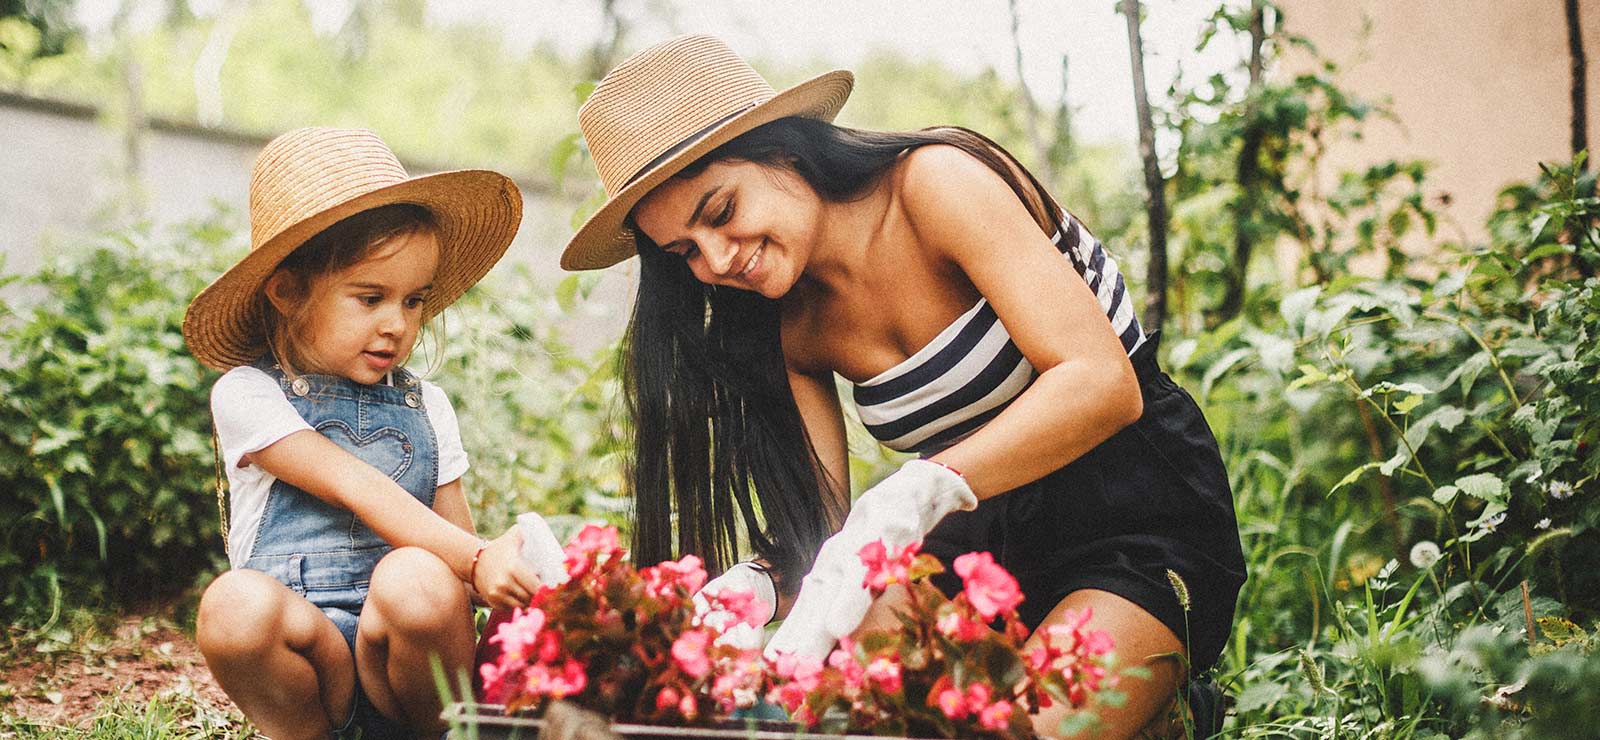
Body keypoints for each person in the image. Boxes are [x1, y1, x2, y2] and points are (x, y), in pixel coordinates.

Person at [563, 36, 1247, 739]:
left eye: (720, 211)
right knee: (848, 711)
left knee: (1018, 731)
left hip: (1129, 508)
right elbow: (823, 523)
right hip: (974, 540)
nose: (714, 261)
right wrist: (754, 589)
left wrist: (917, 487)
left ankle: (1167, 709)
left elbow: (1105, 385)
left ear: (784, 151)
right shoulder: (789, 326)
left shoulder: (933, 183)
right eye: (685, 252)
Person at [183, 127, 551, 740]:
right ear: (288, 291)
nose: (397, 325)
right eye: (370, 297)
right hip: (310, 659)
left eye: (414, 301)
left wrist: (502, 563)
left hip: (402, 664)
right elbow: (354, 484)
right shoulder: (248, 393)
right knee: (232, 605)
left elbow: (455, 551)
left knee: (420, 578)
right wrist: (479, 557)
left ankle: (444, 734)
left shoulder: (427, 405)